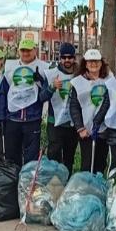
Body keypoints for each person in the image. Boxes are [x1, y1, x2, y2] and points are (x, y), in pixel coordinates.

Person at [0, 39, 50, 166]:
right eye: (23, 50)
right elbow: (2, 94)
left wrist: (41, 81)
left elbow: (45, 95)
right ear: (19, 51)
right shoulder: (10, 68)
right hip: (13, 119)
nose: (25, 53)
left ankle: (27, 183)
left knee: (31, 159)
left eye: (28, 50)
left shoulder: (43, 68)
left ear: (34, 50)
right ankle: (13, 183)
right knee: (11, 157)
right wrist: (2, 116)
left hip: (32, 120)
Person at [69, 49, 112, 173]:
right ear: (85, 64)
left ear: (101, 63)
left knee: (100, 163)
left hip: (103, 128)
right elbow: (74, 106)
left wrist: (99, 120)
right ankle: (85, 189)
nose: (94, 64)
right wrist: (80, 128)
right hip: (86, 130)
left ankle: (97, 189)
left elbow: (108, 102)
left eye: (97, 61)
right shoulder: (78, 82)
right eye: (90, 62)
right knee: (87, 164)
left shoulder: (109, 79)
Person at [43, 43, 79, 175]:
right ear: (60, 58)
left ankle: (66, 184)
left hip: (73, 124)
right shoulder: (52, 74)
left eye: (70, 57)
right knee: (53, 156)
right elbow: (41, 98)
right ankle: (53, 185)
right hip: (55, 123)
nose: (67, 60)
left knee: (69, 158)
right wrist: (51, 87)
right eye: (64, 57)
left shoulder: (79, 74)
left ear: (74, 58)